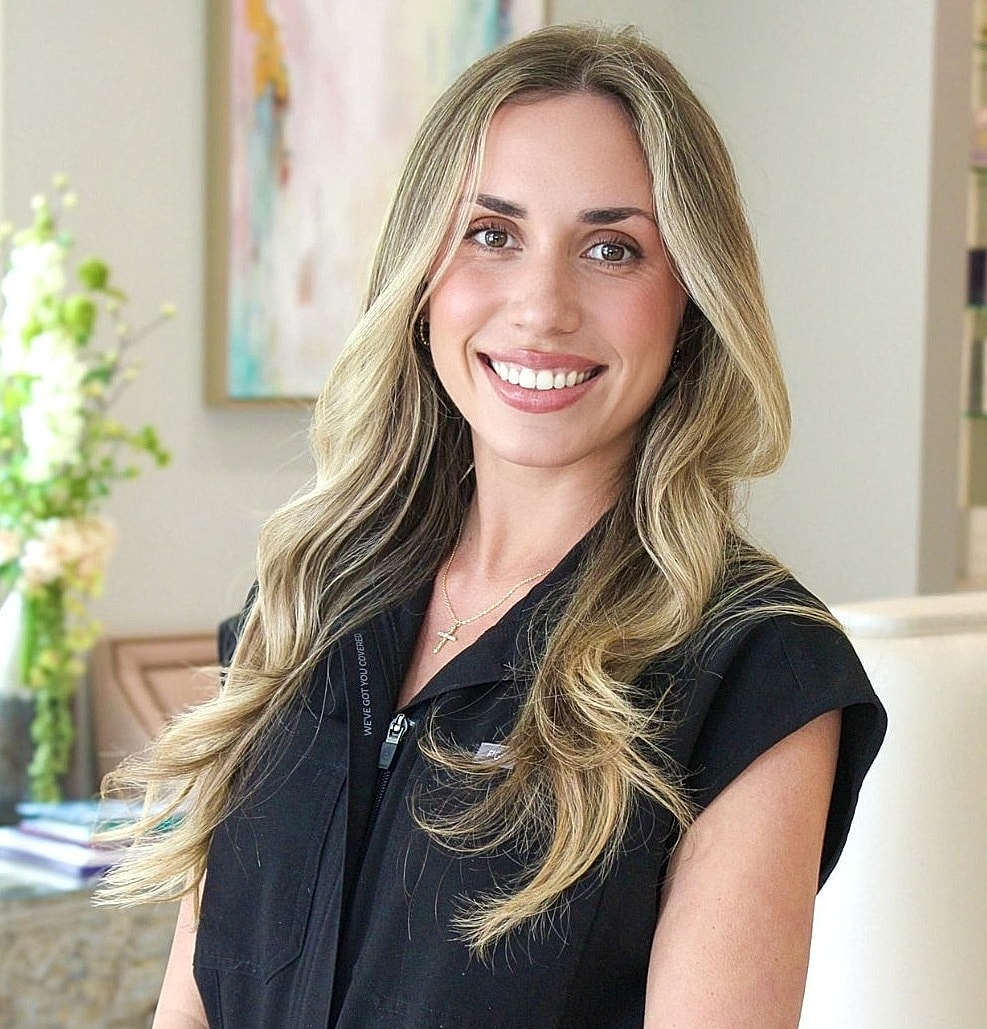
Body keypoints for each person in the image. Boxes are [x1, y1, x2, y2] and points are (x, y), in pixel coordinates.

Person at [101, 22, 886, 1029]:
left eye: (612, 248)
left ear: (688, 298)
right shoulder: (303, 602)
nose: (541, 306)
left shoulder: (756, 672)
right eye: (492, 233)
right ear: (423, 274)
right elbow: (192, 1002)